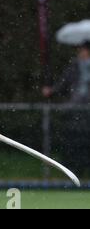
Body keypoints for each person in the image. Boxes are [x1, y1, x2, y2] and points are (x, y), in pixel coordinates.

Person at [42, 41, 90, 174]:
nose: (80, 53)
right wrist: (51, 90)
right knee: (73, 140)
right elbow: (64, 82)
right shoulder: (74, 66)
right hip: (75, 111)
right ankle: (74, 169)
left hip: (86, 111)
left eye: (82, 50)